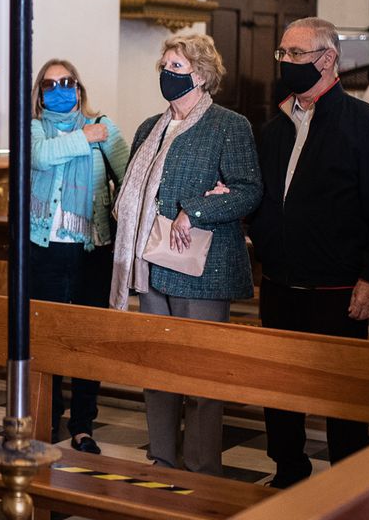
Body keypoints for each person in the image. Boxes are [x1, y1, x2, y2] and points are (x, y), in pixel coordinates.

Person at [250, 17, 369, 488]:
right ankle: (288, 470)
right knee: (279, 389)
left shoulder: (364, 124)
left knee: (343, 397)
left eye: (296, 54)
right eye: (283, 54)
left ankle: (349, 483)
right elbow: (263, 196)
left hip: (338, 286)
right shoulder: (275, 127)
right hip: (280, 282)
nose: (286, 62)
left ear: (328, 59)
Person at [109, 35, 261, 476]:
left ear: (199, 74)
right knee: (158, 370)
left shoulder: (229, 126)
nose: (166, 74)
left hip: (201, 269)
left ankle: (200, 466)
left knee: (200, 374)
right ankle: (162, 457)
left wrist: (195, 210)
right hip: (152, 263)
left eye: (175, 67)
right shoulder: (148, 127)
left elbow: (249, 192)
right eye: (164, 66)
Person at [29, 58, 130, 453]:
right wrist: (87, 137)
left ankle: (83, 424)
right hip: (44, 249)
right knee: (49, 338)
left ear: (79, 88)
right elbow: (40, 157)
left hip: (92, 249)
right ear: (40, 93)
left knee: (87, 342)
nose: (59, 89)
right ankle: (46, 418)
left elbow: (129, 172)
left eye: (66, 82)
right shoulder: (35, 128)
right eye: (50, 84)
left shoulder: (105, 125)